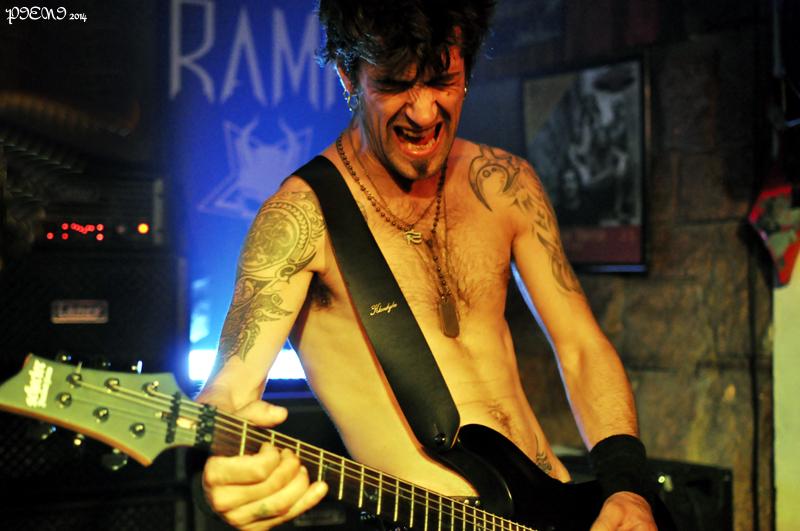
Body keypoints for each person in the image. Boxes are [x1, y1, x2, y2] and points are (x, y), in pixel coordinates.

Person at [197, 1, 659, 529]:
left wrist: (627, 486)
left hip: (555, 507)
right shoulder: (302, 216)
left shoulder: (503, 183)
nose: (422, 113)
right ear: (349, 75)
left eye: (443, 80)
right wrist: (223, 464)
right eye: (393, 84)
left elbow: (580, 346)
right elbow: (229, 390)